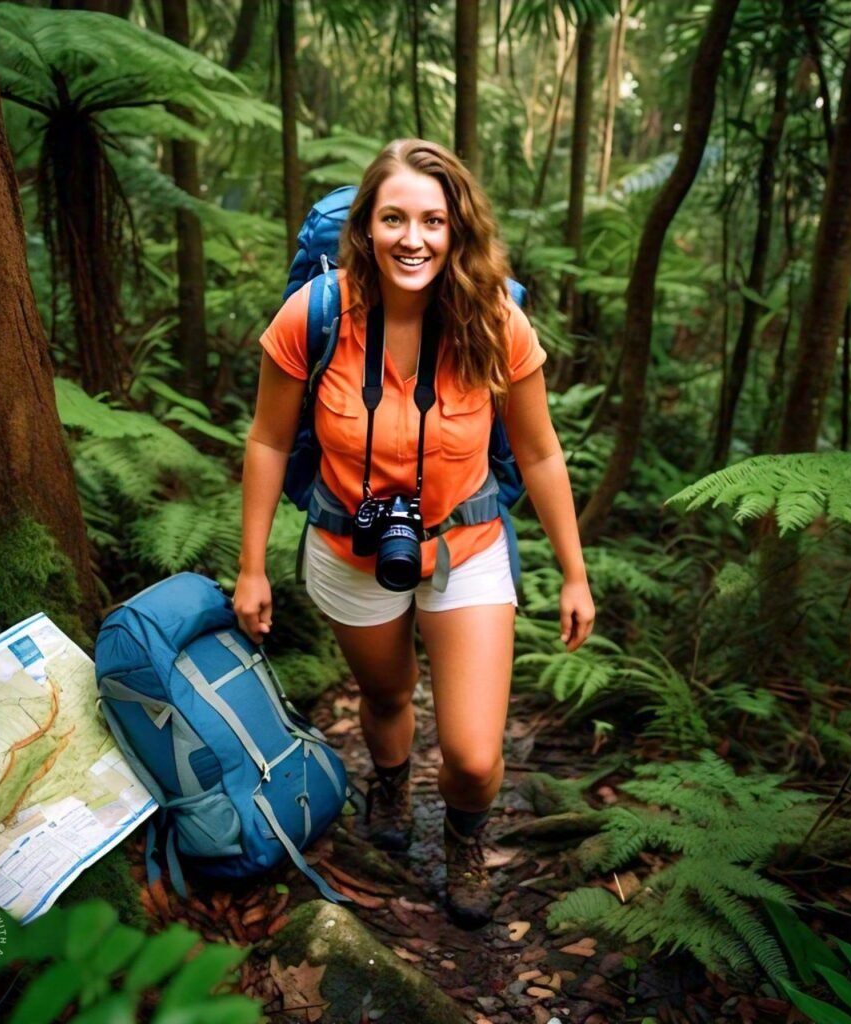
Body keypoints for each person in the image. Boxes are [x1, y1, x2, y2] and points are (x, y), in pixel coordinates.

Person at [234, 138, 595, 929]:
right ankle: (390, 779)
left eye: (433, 220)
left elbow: (536, 451)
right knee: (388, 692)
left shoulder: (497, 322)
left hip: (465, 547)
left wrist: (574, 572)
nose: (414, 237)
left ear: (458, 230)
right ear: (365, 227)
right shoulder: (315, 314)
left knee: (472, 753)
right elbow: (267, 439)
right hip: (345, 550)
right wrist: (252, 567)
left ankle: (465, 837)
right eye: (394, 218)